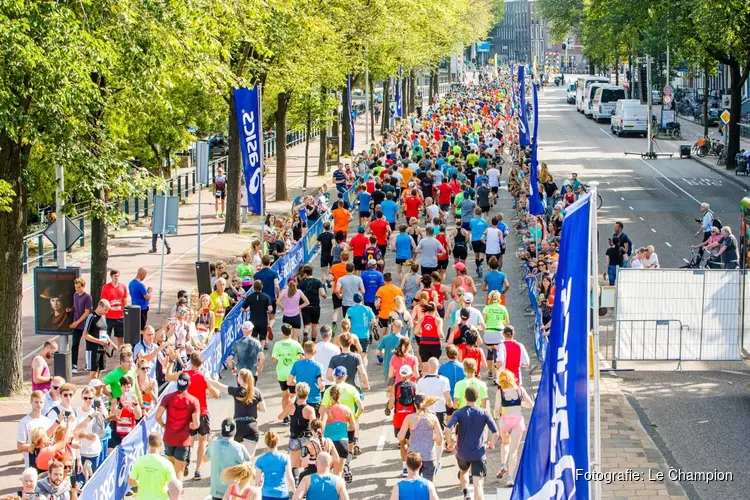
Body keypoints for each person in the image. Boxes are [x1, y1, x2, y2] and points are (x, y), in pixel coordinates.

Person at [165, 352, 219, 480]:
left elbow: (168, 376)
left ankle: (186, 459)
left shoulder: (183, 375)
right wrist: (210, 385)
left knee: (189, 439)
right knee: (202, 441)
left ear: (190, 361)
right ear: (201, 363)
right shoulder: (203, 377)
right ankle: (198, 470)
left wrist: (172, 362)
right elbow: (216, 395)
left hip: (187, 413)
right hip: (202, 412)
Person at [445, 387, 499, 500]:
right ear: (477, 397)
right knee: (478, 485)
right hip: (478, 453)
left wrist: (450, 442)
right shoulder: (484, 413)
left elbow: (448, 429)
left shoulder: (458, 413)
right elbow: (495, 433)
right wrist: (491, 444)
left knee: (463, 471)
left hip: (462, 452)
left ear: (465, 397)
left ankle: (466, 493)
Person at [208, 368, 265, 458]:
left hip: (238, 426)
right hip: (252, 426)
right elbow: (263, 409)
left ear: (240, 379)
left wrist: (209, 379)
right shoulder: (256, 391)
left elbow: (219, 386)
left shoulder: (236, 391)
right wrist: (254, 406)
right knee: (249, 458)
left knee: (237, 457)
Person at [155, 373, 200, 480]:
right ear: (189, 384)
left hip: (169, 437)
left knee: (170, 469)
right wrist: (189, 426)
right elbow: (196, 424)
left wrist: (163, 425)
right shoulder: (193, 401)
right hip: (183, 440)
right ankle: (176, 494)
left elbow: (157, 416)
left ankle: (170, 493)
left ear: (177, 383)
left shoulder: (167, 397)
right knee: (179, 473)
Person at [493, 370, 534, 486]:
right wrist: (519, 403)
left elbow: (496, 408)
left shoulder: (500, 392)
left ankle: (502, 464)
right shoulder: (520, 390)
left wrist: (496, 417)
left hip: (505, 422)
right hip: (517, 422)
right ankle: (510, 478)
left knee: (505, 444)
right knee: (514, 451)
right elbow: (531, 404)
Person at [398, 396, 443, 482]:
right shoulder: (433, 418)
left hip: (413, 456)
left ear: (415, 405)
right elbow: (440, 438)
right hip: (429, 455)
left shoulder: (409, 418)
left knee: (413, 480)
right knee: (428, 483)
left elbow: (401, 436)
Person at [205, 419, 251, 500]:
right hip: (233, 491)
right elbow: (248, 467)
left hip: (216, 491)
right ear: (235, 430)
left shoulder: (213, 444)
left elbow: (204, 459)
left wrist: (209, 443)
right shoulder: (239, 447)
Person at [74, 386, 107, 484]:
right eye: (85, 398)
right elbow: (74, 432)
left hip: (94, 450)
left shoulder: (96, 412)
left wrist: (101, 418)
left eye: (90, 398)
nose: (88, 400)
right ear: (82, 398)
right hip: (80, 451)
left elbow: (101, 433)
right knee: (80, 481)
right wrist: (85, 435)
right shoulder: (76, 412)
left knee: (93, 481)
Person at [129, 432, 176, 500]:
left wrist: (138, 483)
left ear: (148, 444)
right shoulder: (167, 464)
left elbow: (131, 482)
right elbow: (173, 486)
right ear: (160, 444)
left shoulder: (139, 461)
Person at [272, 324, 304, 424]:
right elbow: (301, 357)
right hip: (293, 373)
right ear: (291, 332)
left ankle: (285, 417)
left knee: (285, 394)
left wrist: (281, 357)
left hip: (281, 373)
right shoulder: (296, 344)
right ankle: (291, 413)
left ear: (282, 333)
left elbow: (273, 359)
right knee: (293, 394)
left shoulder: (277, 344)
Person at [392, 365, 417, 477]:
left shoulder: (396, 386)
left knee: (403, 443)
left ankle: (405, 468)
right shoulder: (414, 386)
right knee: (413, 442)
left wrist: (388, 408)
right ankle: (414, 467)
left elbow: (391, 403)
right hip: (412, 417)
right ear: (410, 374)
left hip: (399, 417)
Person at [255, 431, 296, 500]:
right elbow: (289, 477)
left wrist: (260, 482)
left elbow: (257, 482)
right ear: (278, 442)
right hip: (282, 494)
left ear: (265, 443)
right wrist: (294, 490)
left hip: (266, 494)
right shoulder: (285, 458)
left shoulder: (260, 460)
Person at [17, 391, 53, 468]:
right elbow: (20, 447)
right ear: (31, 402)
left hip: (46, 463)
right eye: (36, 402)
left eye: (41, 402)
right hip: (31, 463)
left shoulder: (47, 421)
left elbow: (51, 441)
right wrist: (39, 445)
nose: (39, 404)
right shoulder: (24, 422)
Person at [288, 342, 325, 414]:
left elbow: (289, 382)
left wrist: (297, 384)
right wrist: (322, 389)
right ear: (315, 352)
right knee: (313, 422)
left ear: (304, 351)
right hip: (314, 399)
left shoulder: (296, 364)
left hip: (300, 399)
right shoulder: (318, 366)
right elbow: (321, 385)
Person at [417, 357, 452, 428]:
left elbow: (418, 397)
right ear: (438, 366)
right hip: (440, 411)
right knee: (439, 433)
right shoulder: (444, 380)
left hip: (425, 411)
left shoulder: (421, 381)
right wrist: (451, 405)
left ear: (428, 366)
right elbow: (447, 398)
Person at [482, 291, 509, 380]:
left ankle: (490, 372)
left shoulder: (486, 308)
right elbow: (507, 322)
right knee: (498, 354)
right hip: (499, 333)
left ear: (490, 298)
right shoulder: (503, 308)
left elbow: (483, 321)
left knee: (489, 352)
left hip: (489, 333)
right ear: (499, 298)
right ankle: (497, 375)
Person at [345, 293, 377, 368]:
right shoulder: (368, 309)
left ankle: (354, 372)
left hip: (353, 336)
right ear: (362, 299)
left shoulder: (350, 309)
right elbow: (374, 321)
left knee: (352, 355)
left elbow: (346, 321)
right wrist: (369, 324)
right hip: (364, 336)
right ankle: (363, 371)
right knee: (364, 356)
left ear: (353, 300)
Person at [241, 280, 274, 348]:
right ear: (262, 287)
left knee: (254, 337)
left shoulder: (249, 297)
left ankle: (256, 351)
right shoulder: (266, 297)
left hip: (253, 320)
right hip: (263, 320)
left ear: (253, 287)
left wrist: (250, 309)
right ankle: (261, 351)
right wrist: (266, 311)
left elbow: (242, 309)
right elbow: (270, 309)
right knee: (263, 338)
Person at [100, 269, 127, 347]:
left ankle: (121, 356)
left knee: (120, 338)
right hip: (109, 317)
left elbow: (124, 300)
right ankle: (104, 355)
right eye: (115, 276)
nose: (116, 278)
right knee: (105, 337)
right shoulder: (105, 288)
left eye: (118, 276)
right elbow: (103, 301)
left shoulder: (123, 287)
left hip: (120, 317)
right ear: (111, 277)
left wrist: (124, 311)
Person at [298, 265, 326, 341]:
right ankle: (313, 342)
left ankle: (306, 333)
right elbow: (323, 293)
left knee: (306, 325)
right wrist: (324, 295)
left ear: (305, 274)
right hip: (315, 306)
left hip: (305, 307)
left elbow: (298, 295)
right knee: (314, 326)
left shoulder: (301, 283)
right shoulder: (317, 282)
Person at [254, 255, 282, 333]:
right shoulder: (274, 273)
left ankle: (264, 331)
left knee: (263, 316)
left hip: (260, 298)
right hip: (271, 299)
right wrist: (278, 294)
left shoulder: (257, 275)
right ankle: (270, 326)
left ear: (262, 263)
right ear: (270, 262)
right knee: (272, 318)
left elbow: (255, 287)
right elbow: (276, 286)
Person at [70, 279, 92, 374]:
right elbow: (76, 307)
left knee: (88, 345)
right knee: (74, 345)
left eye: (79, 287)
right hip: (77, 326)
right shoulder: (75, 295)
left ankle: (88, 364)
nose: (77, 289)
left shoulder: (87, 297)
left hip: (85, 325)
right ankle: (73, 364)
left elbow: (87, 312)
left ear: (83, 286)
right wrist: (70, 309)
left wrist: (77, 322)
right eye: (76, 287)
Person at [413, 302, 443, 369]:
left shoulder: (422, 318)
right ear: (435, 310)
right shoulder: (438, 320)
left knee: (425, 368)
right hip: (435, 345)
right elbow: (440, 333)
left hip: (423, 345)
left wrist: (423, 334)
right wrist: (442, 336)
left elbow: (415, 332)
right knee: (435, 367)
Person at [375, 272, 404, 338]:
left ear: (384, 280)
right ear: (391, 280)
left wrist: (377, 306)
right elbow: (402, 301)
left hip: (383, 314)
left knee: (382, 333)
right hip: (394, 314)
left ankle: (382, 347)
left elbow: (377, 302)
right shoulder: (398, 289)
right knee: (393, 333)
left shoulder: (381, 289)